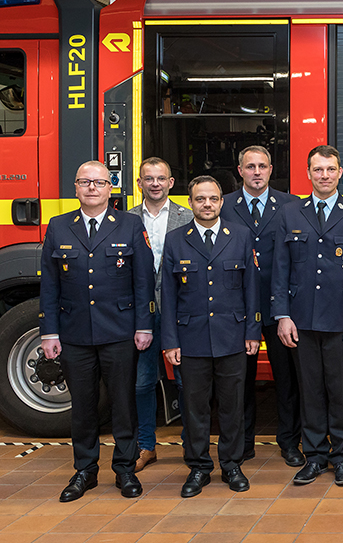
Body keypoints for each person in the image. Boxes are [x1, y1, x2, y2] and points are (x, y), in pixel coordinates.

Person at [40, 160, 154, 502]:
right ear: (75, 188)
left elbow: (143, 281)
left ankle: (125, 470)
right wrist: (49, 332)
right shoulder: (59, 227)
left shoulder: (131, 226)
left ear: (110, 188)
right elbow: (49, 285)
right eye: (85, 182)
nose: (92, 188)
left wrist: (144, 325)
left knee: (123, 404)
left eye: (99, 182)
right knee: (83, 407)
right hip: (74, 333)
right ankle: (85, 471)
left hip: (120, 331)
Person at [271, 145, 343, 487]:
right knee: (310, 390)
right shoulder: (290, 213)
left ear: (340, 175)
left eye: (331, 170)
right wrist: (282, 315)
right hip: (301, 320)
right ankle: (315, 456)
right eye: (318, 170)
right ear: (309, 173)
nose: (325, 176)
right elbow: (279, 268)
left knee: (342, 391)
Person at [161, 176, 260, 497]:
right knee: (194, 408)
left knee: (233, 406)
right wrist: (170, 341)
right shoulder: (176, 240)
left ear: (222, 202)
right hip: (190, 340)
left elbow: (251, 291)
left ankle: (232, 465)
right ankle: (199, 467)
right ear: (190, 203)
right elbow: (169, 297)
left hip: (232, 336)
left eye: (213, 199)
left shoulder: (241, 237)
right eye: (200, 199)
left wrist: (252, 332)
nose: (207, 204)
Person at [220, 145, 303, 466]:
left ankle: (290, 442)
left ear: (271, 170)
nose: (257, 172)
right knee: (239, 380)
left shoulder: (291, 205)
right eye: (250, 166)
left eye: (262, 166)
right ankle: (243, 443)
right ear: (240, 170)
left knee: (287, 380)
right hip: (236, 309)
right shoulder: (224, 205)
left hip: (279, 306)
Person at [128, 157, 191, 472]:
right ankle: (146, 446)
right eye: (148, 178)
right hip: (141, 315)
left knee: (186, 381)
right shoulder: (125, 220)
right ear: (139, 183)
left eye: (161, 178)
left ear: (171, 183)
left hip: (179, 314)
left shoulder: (189, 218)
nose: (155, 183)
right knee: (142, 382)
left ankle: (190, 445)